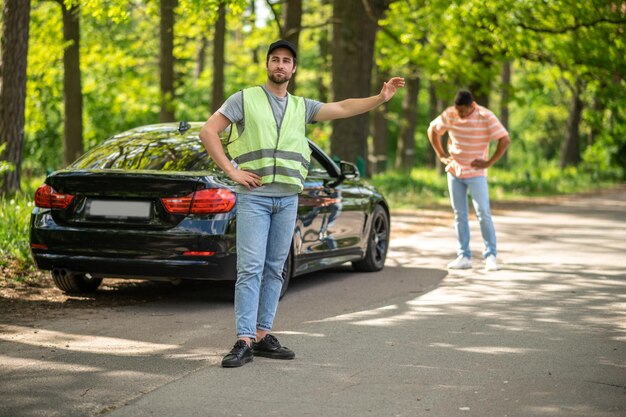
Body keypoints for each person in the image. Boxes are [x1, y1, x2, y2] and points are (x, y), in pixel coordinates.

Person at [199, 40, 404, 368]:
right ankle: (243, 340)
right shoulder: (244, 99)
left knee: (275, 268)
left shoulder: (301, 106)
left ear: (294, 69)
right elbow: (208, 131)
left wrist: (380, 98)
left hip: (288, 198)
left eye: (286, 61)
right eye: (275, 60)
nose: (280, 65)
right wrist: (232, 171)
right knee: (250, 268)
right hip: (256, 197)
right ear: (267, 65)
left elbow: (343, 107)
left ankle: (264, 335)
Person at [427, 90, 510, 272]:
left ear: (472, 106)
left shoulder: (485, 116)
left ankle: (490, 256)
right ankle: (464, 256)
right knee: (459, 215)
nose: (460, 115)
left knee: (483, 214)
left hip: (476, 173)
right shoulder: (450, 113)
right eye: (458, 111)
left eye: (463, 111)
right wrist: (441, 155)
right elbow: (432, 130)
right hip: (455, 171)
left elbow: (504, 139)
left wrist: (489, 162)